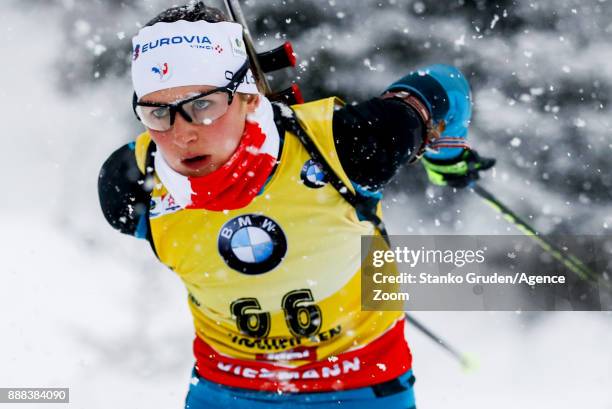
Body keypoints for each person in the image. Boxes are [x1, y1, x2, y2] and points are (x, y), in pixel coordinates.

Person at [98, 2, 494, 408]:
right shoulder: (132, 184)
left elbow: (444, 86)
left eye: (204, 105)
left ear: (249, 96)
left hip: (359, 386)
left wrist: (446, 156)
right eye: (158, 112)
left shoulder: (346, 147)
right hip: (228, 390)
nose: (182, 135)